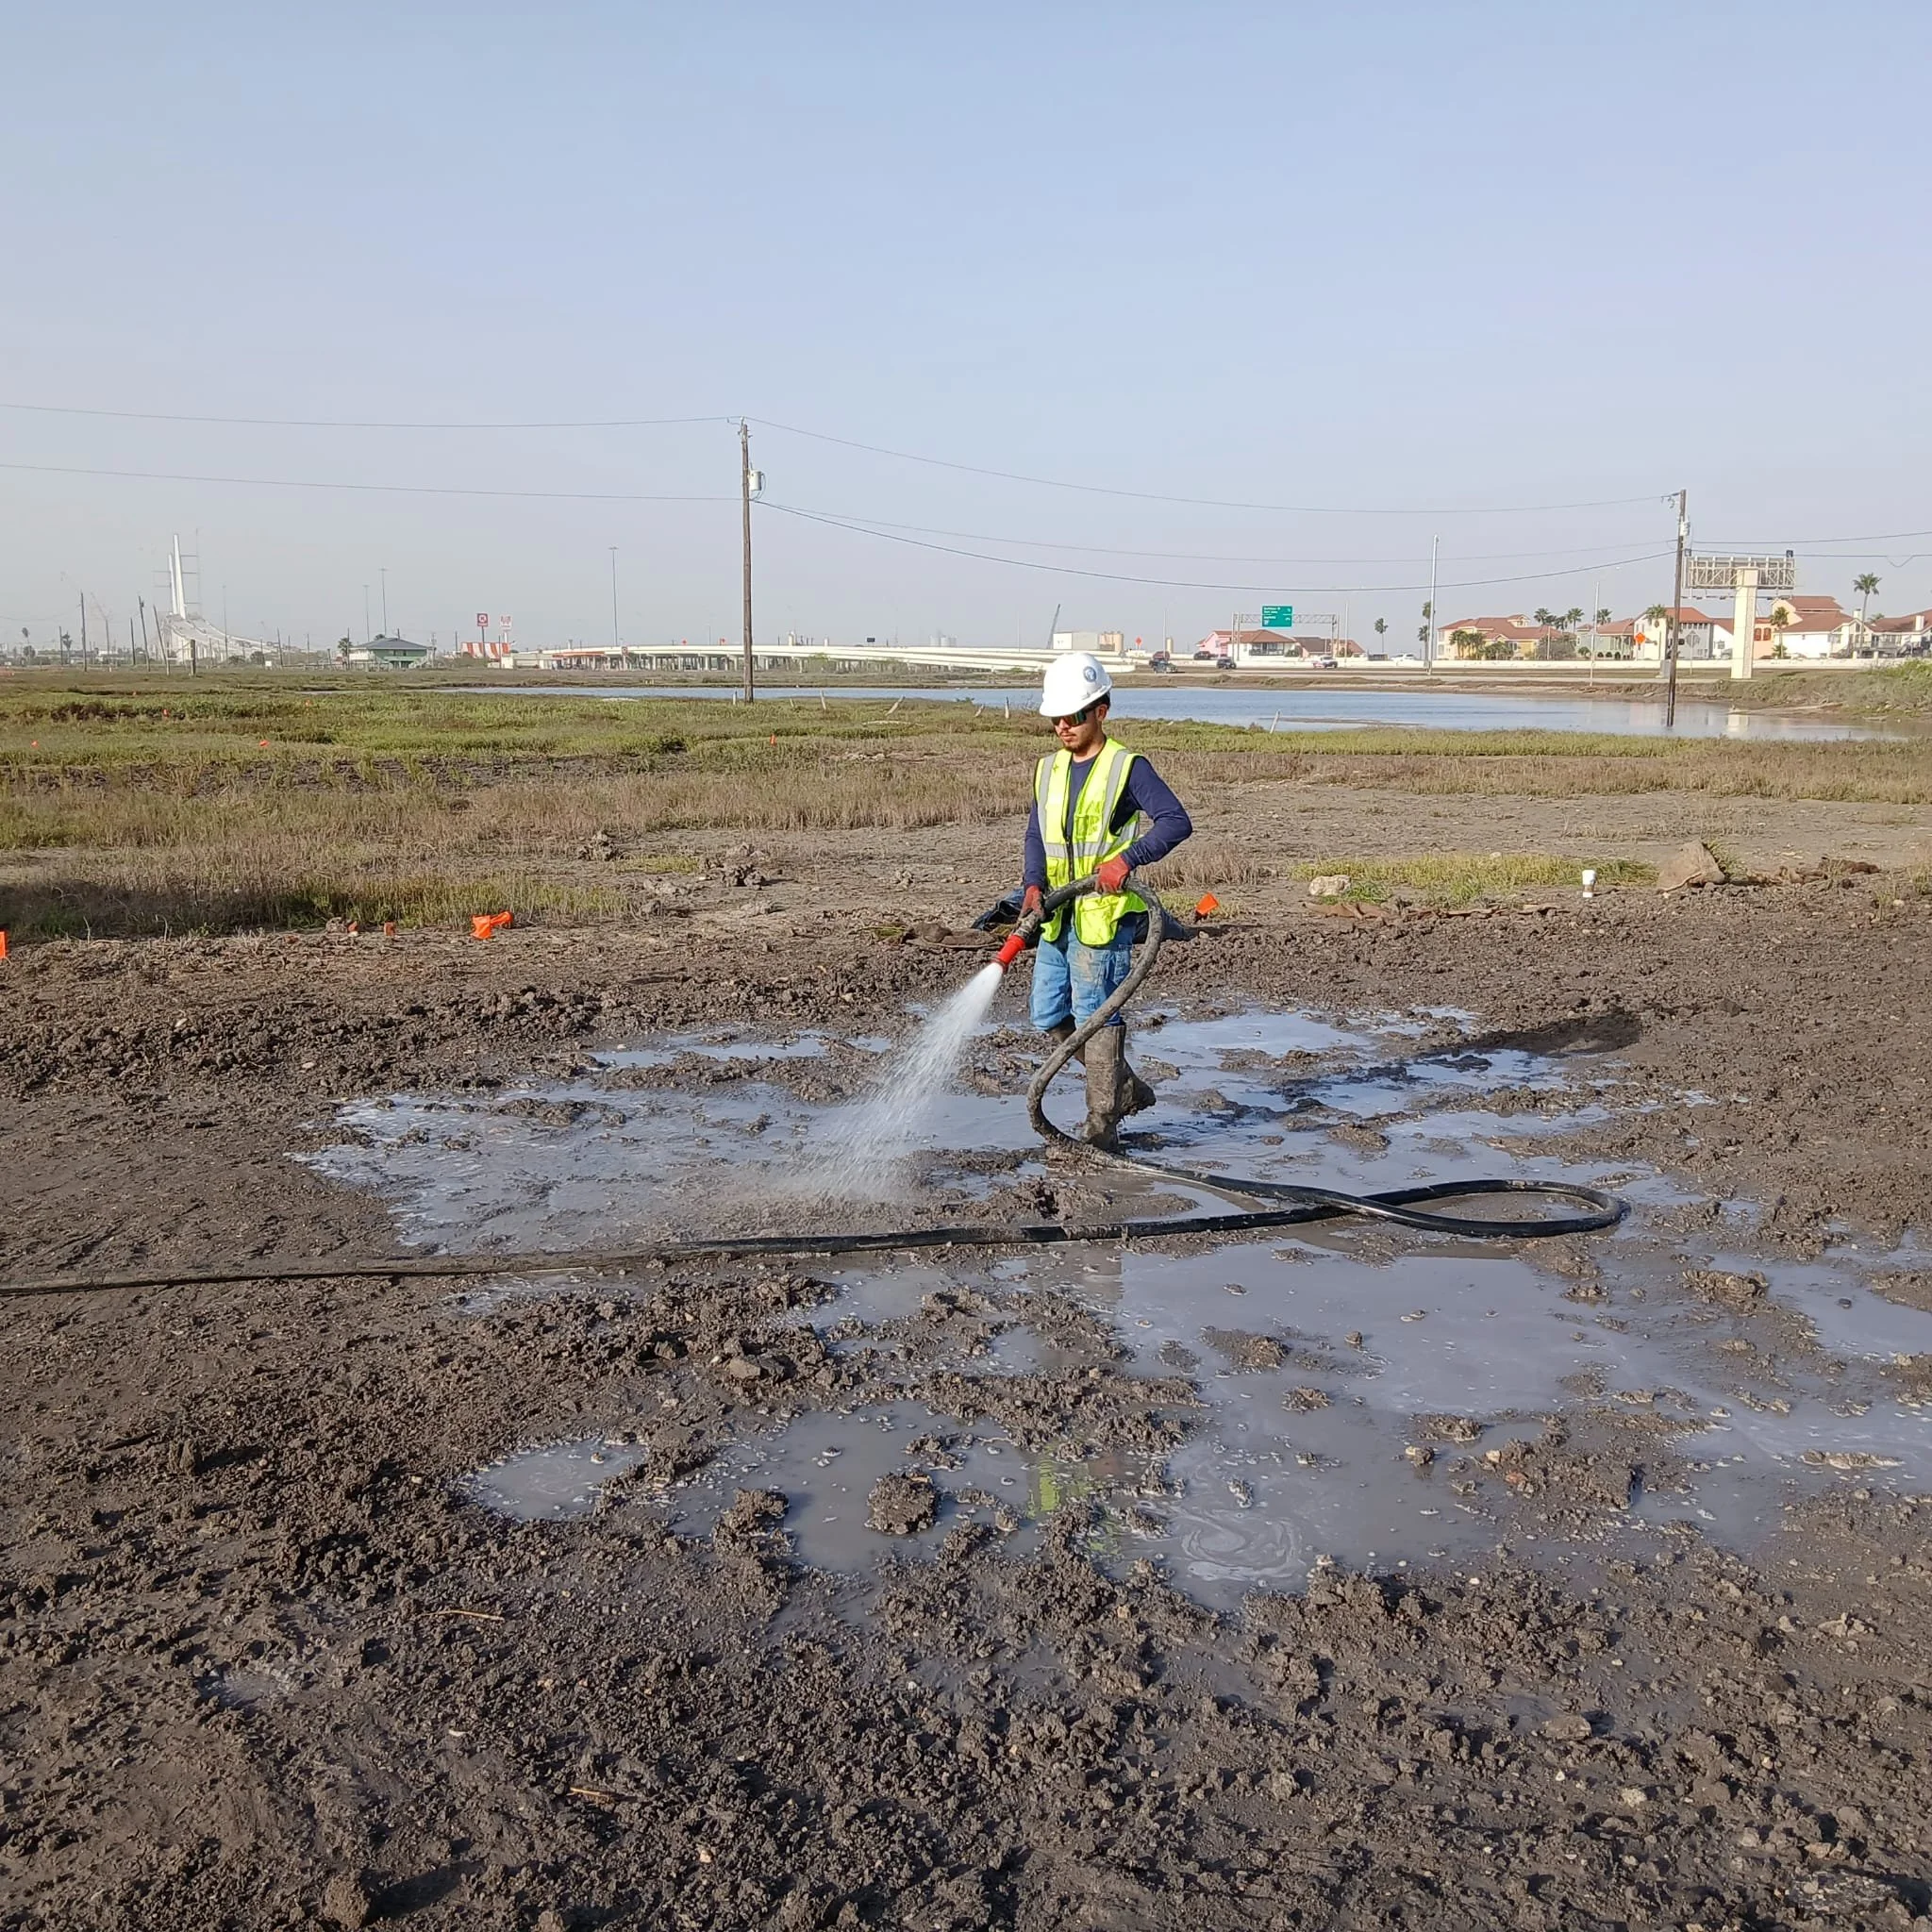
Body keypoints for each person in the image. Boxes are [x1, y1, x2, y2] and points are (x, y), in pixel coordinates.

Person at [1020, 651, 1192, 1147]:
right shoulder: (1047, 770)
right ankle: (1123, 1085)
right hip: (1057, 912)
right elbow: (1036, 834)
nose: (1063, 727)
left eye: (1073, 715)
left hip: (1102, 916)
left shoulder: (1127, 768)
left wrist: (1127, 861)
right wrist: (1033, 883)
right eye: (1056, 718)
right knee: (1048, 1014)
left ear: (1102, 709)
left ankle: (1102, 1128)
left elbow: (1176, 822)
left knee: (1097, 1014)